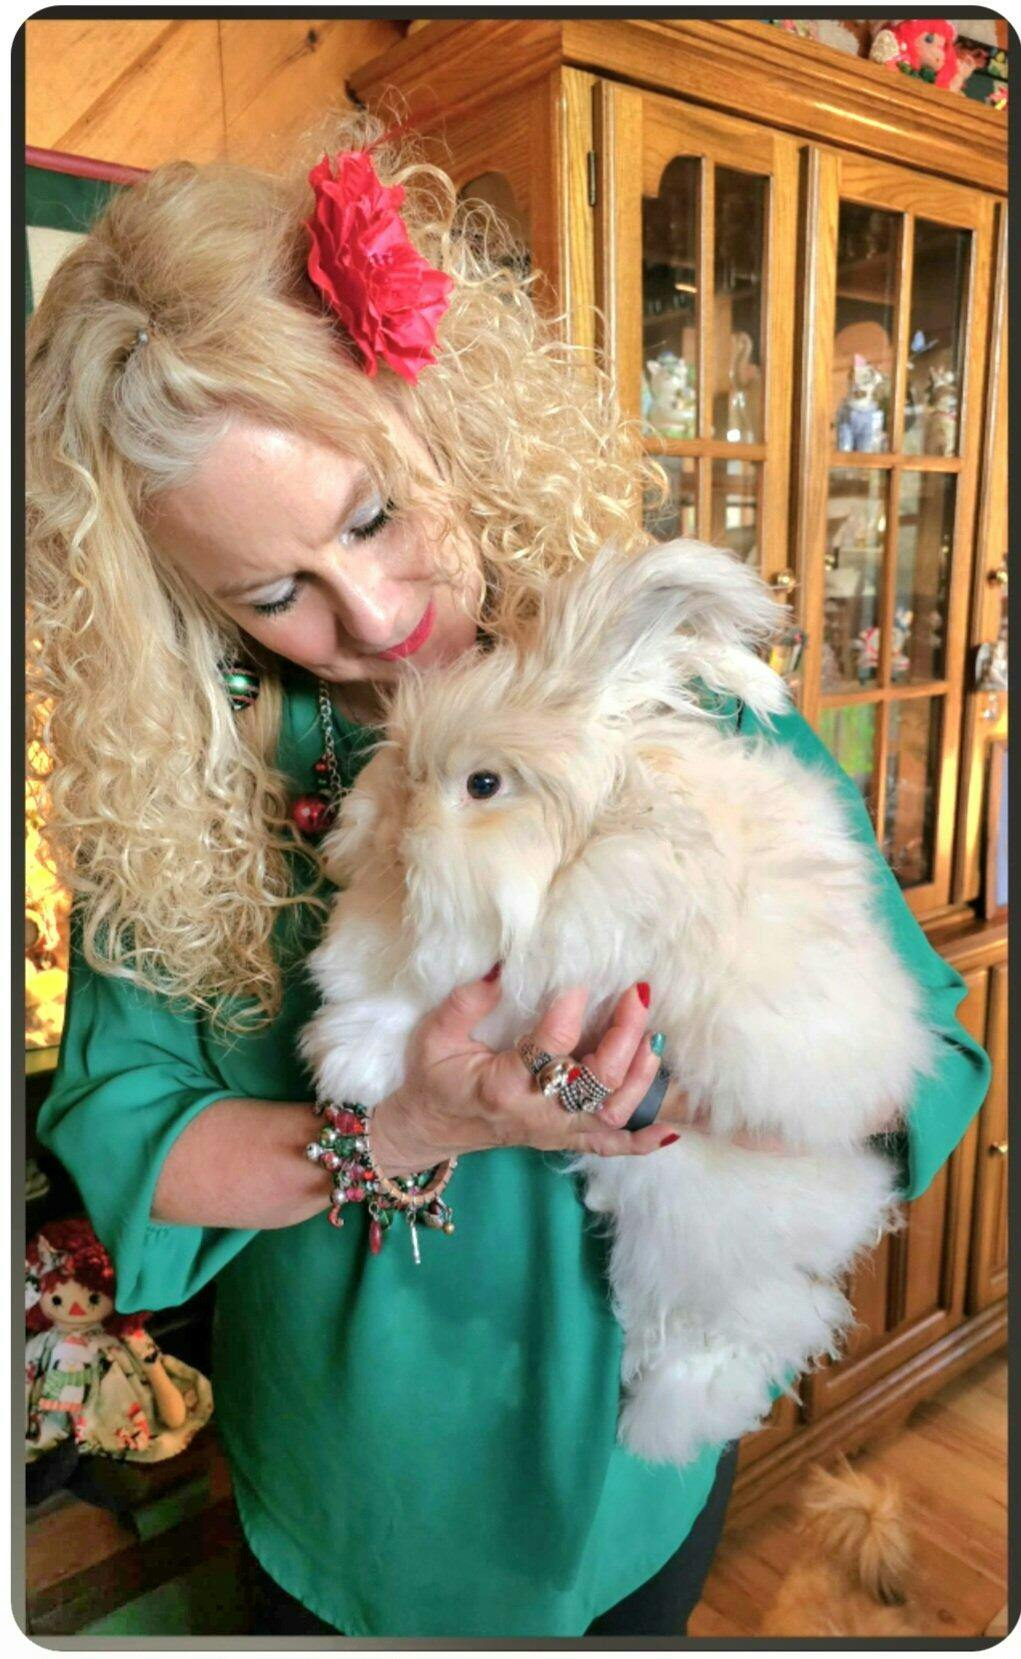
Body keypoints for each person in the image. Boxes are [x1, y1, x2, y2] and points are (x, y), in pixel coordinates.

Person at [27, 109, 990, 1639]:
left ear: (443, 419)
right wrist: (411, 1122)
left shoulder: (668, 690)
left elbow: (917, 1054)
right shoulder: (184, 796)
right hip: (361, 1483)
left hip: (628, 1454)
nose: (372, 617)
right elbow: (125, 1133)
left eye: (374, 517)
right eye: (274, 593)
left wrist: (727, 1072)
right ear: (189, 606)